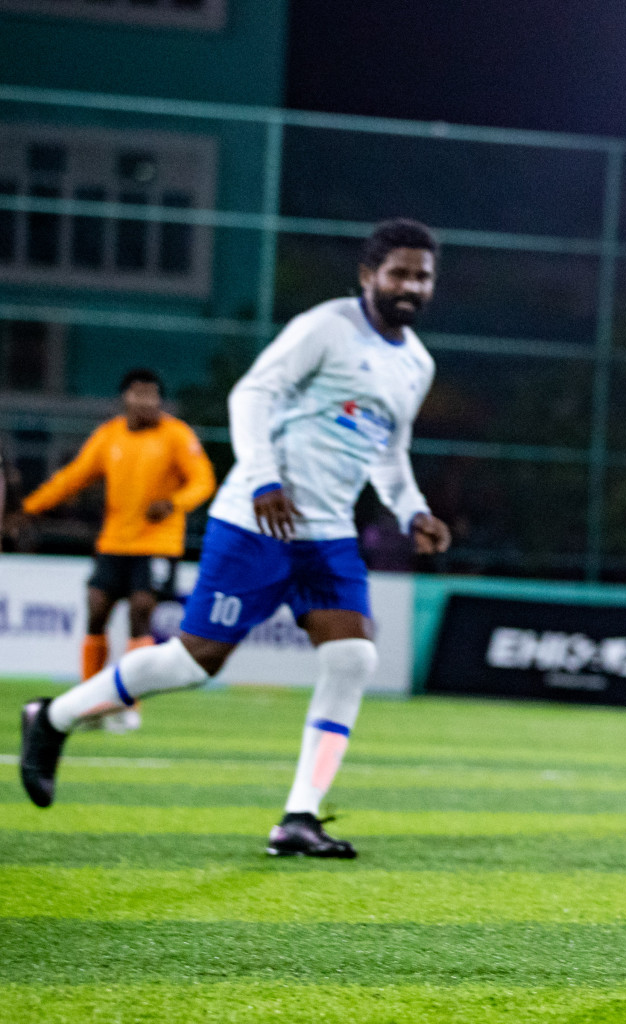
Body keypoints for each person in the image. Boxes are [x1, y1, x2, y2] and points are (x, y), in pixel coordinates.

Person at [19, 219, 454, 859]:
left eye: (422, 276)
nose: (411, 285)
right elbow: (251, 394)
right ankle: (52, 718)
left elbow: (390, 451)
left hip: (328, 537)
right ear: (368, 276)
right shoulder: (326, 327)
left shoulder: (416, 363)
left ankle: (300, 817)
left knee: (353, 658)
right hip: (256, 526)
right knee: (192, 663)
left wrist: (412, 509)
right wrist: (262, 479)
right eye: (399, 272)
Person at [19, 368, 216, 733]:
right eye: (139, 395)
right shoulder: (109, 436)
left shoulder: (176, 434)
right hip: (114, 542)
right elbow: (72, 477)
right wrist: (28, 509)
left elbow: (202, 480)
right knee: (96, 609)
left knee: (141, 613)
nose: (147, 402)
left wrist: (174, 503)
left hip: (158, 544)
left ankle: (128, 704)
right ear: (124, 399)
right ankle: (90, 703)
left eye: (153, 395)